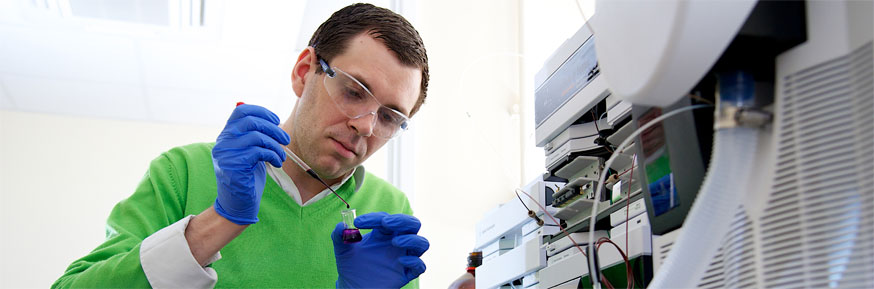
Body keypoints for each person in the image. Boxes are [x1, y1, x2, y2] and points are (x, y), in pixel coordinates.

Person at [52, 3, 430, 288]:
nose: (364, 126)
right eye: (353, 91)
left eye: (388, 118)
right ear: (304, 72)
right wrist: (219, 221)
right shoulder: (183, 172)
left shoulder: (388, 213)